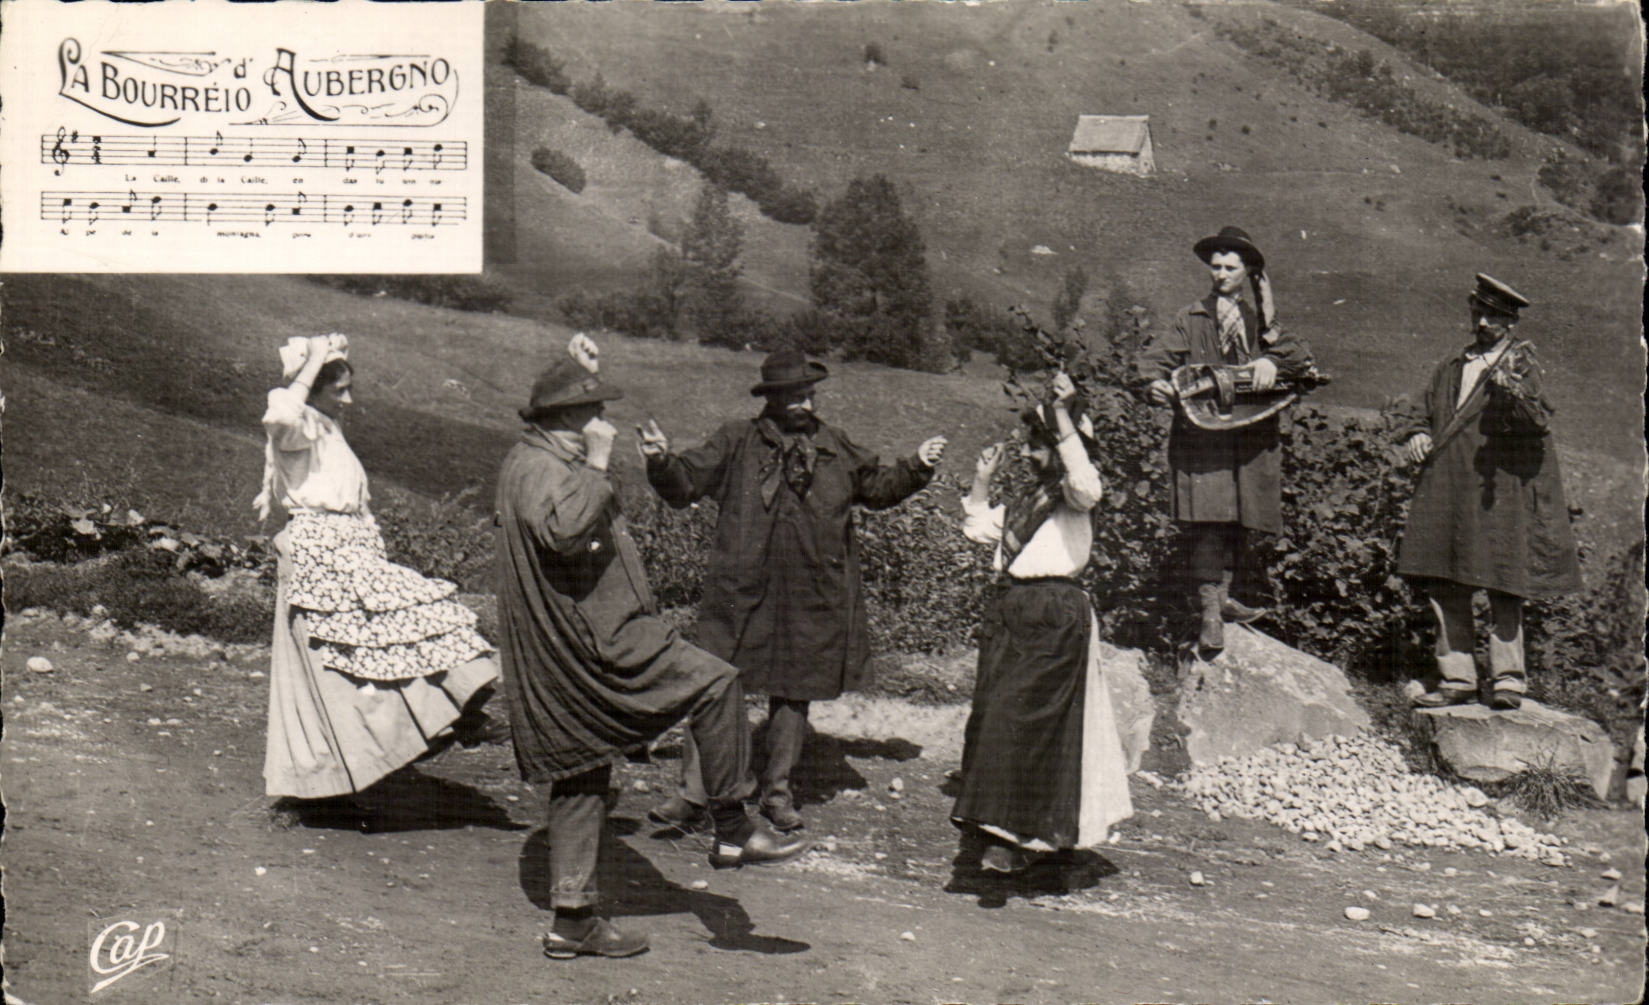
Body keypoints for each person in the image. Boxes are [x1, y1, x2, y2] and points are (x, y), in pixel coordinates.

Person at [495, 335, 807, 961]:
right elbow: (563, 532)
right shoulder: (538, 468)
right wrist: (598, 464)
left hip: (571, 644)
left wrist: (581, 374)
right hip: (597, 643)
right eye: (593, 413)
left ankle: (572, 921)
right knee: (717, 682)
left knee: (582, 770)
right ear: (563, 419)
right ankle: (732, 826)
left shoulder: (539, 457)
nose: (604, 423)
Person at [638, 350, 947, 833]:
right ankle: (693, 795)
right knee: (713, 684)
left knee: (795, 690)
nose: (805, 404)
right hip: (741, 591)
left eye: (810, 394)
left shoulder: (832, 445)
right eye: (795, 396)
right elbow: (685, 484)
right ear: (772, 399)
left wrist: (917, 465)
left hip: (810, 591)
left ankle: (777, 793)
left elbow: (877, 487)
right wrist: (661, 461)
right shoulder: (736, 441)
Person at [256, 334, 499, 801]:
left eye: (349, 388)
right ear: (311, 386)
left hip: (350, 549)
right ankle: (355, 767)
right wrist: (312, 363)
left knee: (390, 637)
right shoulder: (297, 424)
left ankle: (454, 716)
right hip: (323, 553)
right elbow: (281, 416)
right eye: (339, 389)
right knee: (350, 659)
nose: (348, 399)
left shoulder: (326, 427)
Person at [951, 372, 1133, 873]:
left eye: (1039, 447)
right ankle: (1019, 833)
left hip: (1054, 612)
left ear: (1063, 448)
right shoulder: (1030, 502)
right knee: (996, 715)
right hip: (1014, 611)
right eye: (1029, 446)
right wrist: (982, 480)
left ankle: (1011, 836)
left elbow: (1085, 478)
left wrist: (1061, 416)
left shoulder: (1075, 496)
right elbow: (978, 530)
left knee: (1023, 718)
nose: (1029, 455)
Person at [1395, 275, 1582, 711]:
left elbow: (1537, 421)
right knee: (1446, 575)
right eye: (1477, 313)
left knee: (1504, 579)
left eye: (1492, 316)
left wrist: (1514, 394)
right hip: (1448, 482)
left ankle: (1508, 680)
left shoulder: (1522, 365)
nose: (1481, 322)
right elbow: (1423, 410)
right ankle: (1457, 677)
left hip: (1499, 488)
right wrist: (1418, 432)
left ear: (1510, 321)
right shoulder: (1453, 365)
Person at [1137, 226, 1316, 655]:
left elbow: (1301, 358)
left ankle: (1225, 597)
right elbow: (1153, 362)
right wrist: (1153, 384)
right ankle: (1209, 613)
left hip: (1249, 437)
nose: (1220, 275)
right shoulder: (1192, 317)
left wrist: (1273, 358)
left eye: (1230, 268)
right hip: (1203, 436)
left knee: (1239, 515)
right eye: (1215, 267)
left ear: (1248, 272)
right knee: (1208, 517)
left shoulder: (1261, 322)